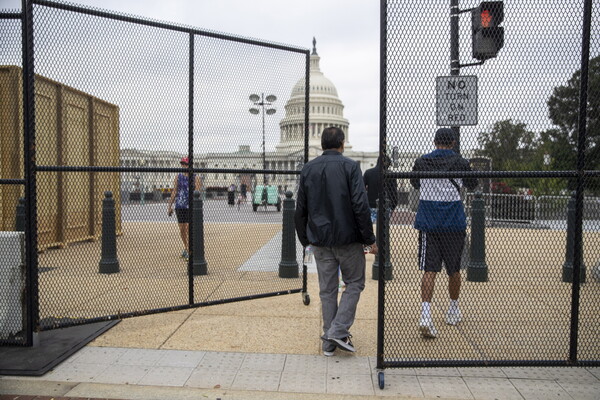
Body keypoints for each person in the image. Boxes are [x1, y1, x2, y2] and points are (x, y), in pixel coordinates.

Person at [295, 126, 378, 356]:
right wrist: (369, 239)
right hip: (348, 239)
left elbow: (300, 209)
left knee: (327, 290)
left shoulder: (308, 169)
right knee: (355, 283)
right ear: (342, 144)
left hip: (319, 240)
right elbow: (360, 206)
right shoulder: (351, 167)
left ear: (322, 144)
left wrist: (306, 239)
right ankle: (338, 330)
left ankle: (329, 343)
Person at [410, 128, 478, 338]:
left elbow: (415, 183)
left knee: (429, 269)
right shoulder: (460, 162)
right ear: (453, 142)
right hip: (453, 222)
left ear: (434, 141)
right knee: (454, 269)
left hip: (429, 221)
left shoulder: (422, 162)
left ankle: (425, 314)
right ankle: (453, 308)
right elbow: (473, 184)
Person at [167, 157, 202, 260]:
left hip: (190, 206)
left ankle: (189, 250)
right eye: (182, 164)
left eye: (185, 164)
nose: (184, 166)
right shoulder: (178, 177)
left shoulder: (196, 178)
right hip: (180, 206)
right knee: (182, 229)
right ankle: (186, 248)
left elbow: (198, 192)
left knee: (188, 227)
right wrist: (170, 206)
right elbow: (174, 191)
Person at [363, 154, 399, 223]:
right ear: (388, 164)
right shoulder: (391, 174)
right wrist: (392, 206)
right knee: (384, 228)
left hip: (371, 204)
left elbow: (362, 189)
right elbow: (394, 193)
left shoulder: (368, 173)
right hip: (386, 205)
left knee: (372, 226)